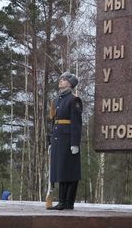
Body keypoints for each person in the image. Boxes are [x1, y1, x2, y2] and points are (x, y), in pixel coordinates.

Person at [47, 72, 82, 210]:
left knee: (70, 171)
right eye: (60, 78)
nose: (60, 81)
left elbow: (76, 123)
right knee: (61, 170)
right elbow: (53, 122)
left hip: (68, 139)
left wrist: (75, 143)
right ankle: (62, 201)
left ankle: (67, 202)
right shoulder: (56, 100)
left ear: (70, 83)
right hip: (57, 138)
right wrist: (50, 140)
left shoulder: (74, 100)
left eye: (64, 79)